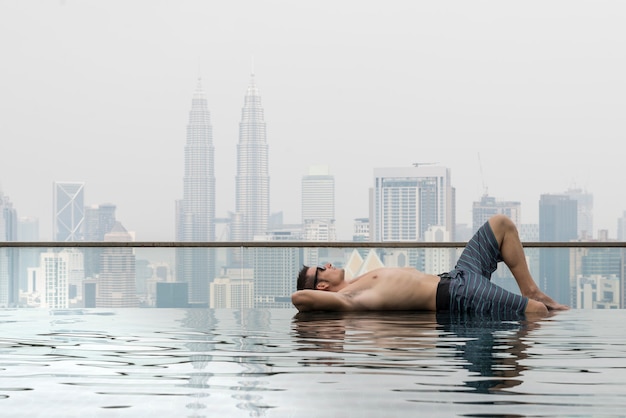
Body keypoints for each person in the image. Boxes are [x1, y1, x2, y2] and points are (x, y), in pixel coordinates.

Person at [292, 214, 569, 316]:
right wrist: (330, 296)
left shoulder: (356, 283)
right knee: (537, 312)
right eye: (321, 269)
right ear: (323, 285)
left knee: (501, 224)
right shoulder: (348, 299)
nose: (327, 264)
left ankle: (530, 288)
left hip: (457, 276)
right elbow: (299, 297)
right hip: (457, 295)